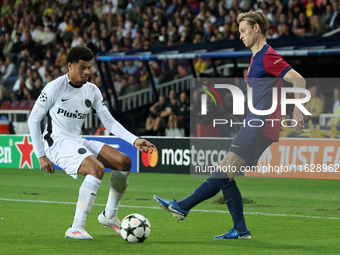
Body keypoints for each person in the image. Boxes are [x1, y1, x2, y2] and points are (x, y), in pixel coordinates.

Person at [154, 11, 306, 239]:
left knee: (224, 169)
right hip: (254, 124)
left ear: (256, 28)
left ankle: (183, 206)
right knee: (227, 173)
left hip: (260, 126)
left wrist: (297, 111)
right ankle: (241, 230)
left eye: (243, 31)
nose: (241, 36)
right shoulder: (256, 58)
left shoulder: (268, 56)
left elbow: (298, 79)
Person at [28, 45, 156, 239]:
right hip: (57, 143)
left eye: (89, 67)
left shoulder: (92, 90)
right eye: (82, 67)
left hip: (77, 139)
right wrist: (40, 154)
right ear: (69, 66)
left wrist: (134, 140)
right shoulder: (55, 87)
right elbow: (34, 119)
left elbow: (109, 121)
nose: (87, 71)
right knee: (96, 169)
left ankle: (110, 215)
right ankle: (76, 227)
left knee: (124, 161)